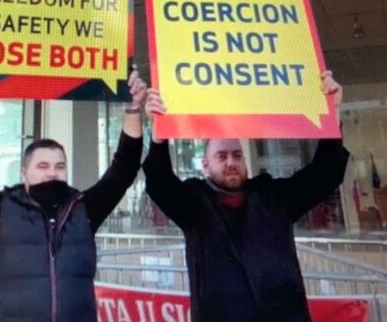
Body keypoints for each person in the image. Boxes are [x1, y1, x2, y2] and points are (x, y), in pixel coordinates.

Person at [0, 60, 145, 322]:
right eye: (42, 166)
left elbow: (123, 169)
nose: (52, 172)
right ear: (24, 174)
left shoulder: (84, 210)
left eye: (59, 166)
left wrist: (134, 109)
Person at [143, 71, 349, 322]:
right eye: (222, 156)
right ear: (205, 165)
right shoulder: (194, 204)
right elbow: (159, 182)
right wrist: (159, 134)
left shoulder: (274, 197)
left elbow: (324, 175)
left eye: (237, 155)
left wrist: (332, 112)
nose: (231, 162)